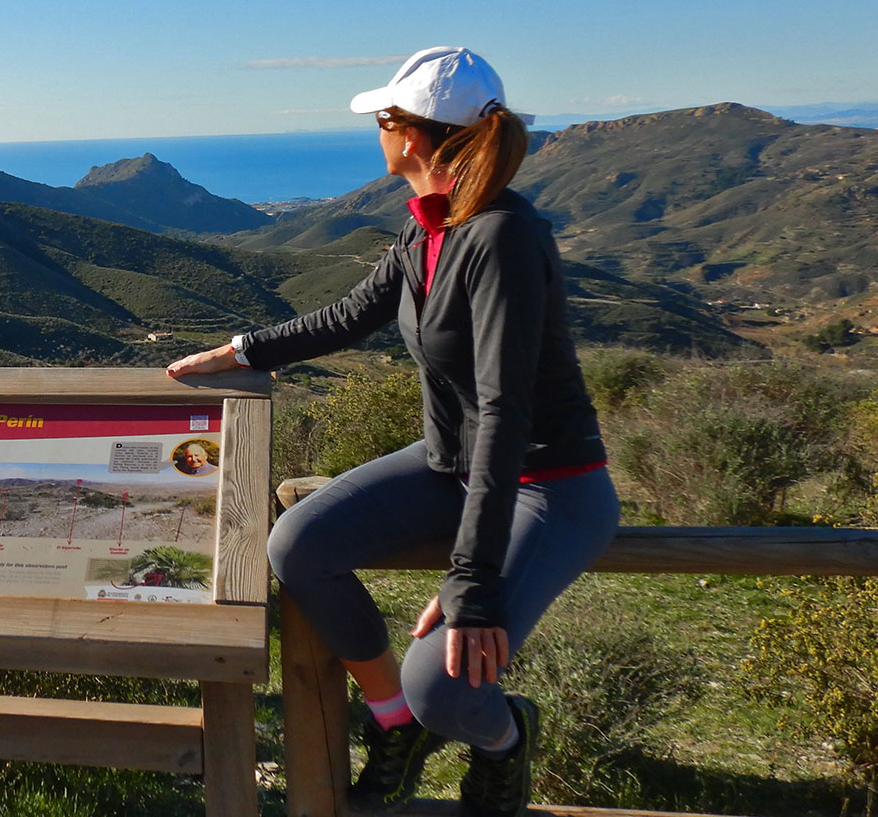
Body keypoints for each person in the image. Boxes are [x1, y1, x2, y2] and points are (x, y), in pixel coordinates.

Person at [166, 48, 619, 816]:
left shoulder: (502, 237)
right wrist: (238, 353)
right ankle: (394, 723)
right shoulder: (428, 232)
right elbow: (349, 315)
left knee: (443, 682)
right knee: (298, 545)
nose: (377, 134)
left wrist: (471, 585)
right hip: (454, 466)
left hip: (548, 486)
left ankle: (504, 739)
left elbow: (506, 410)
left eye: (383, 120)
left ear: (409, 135)